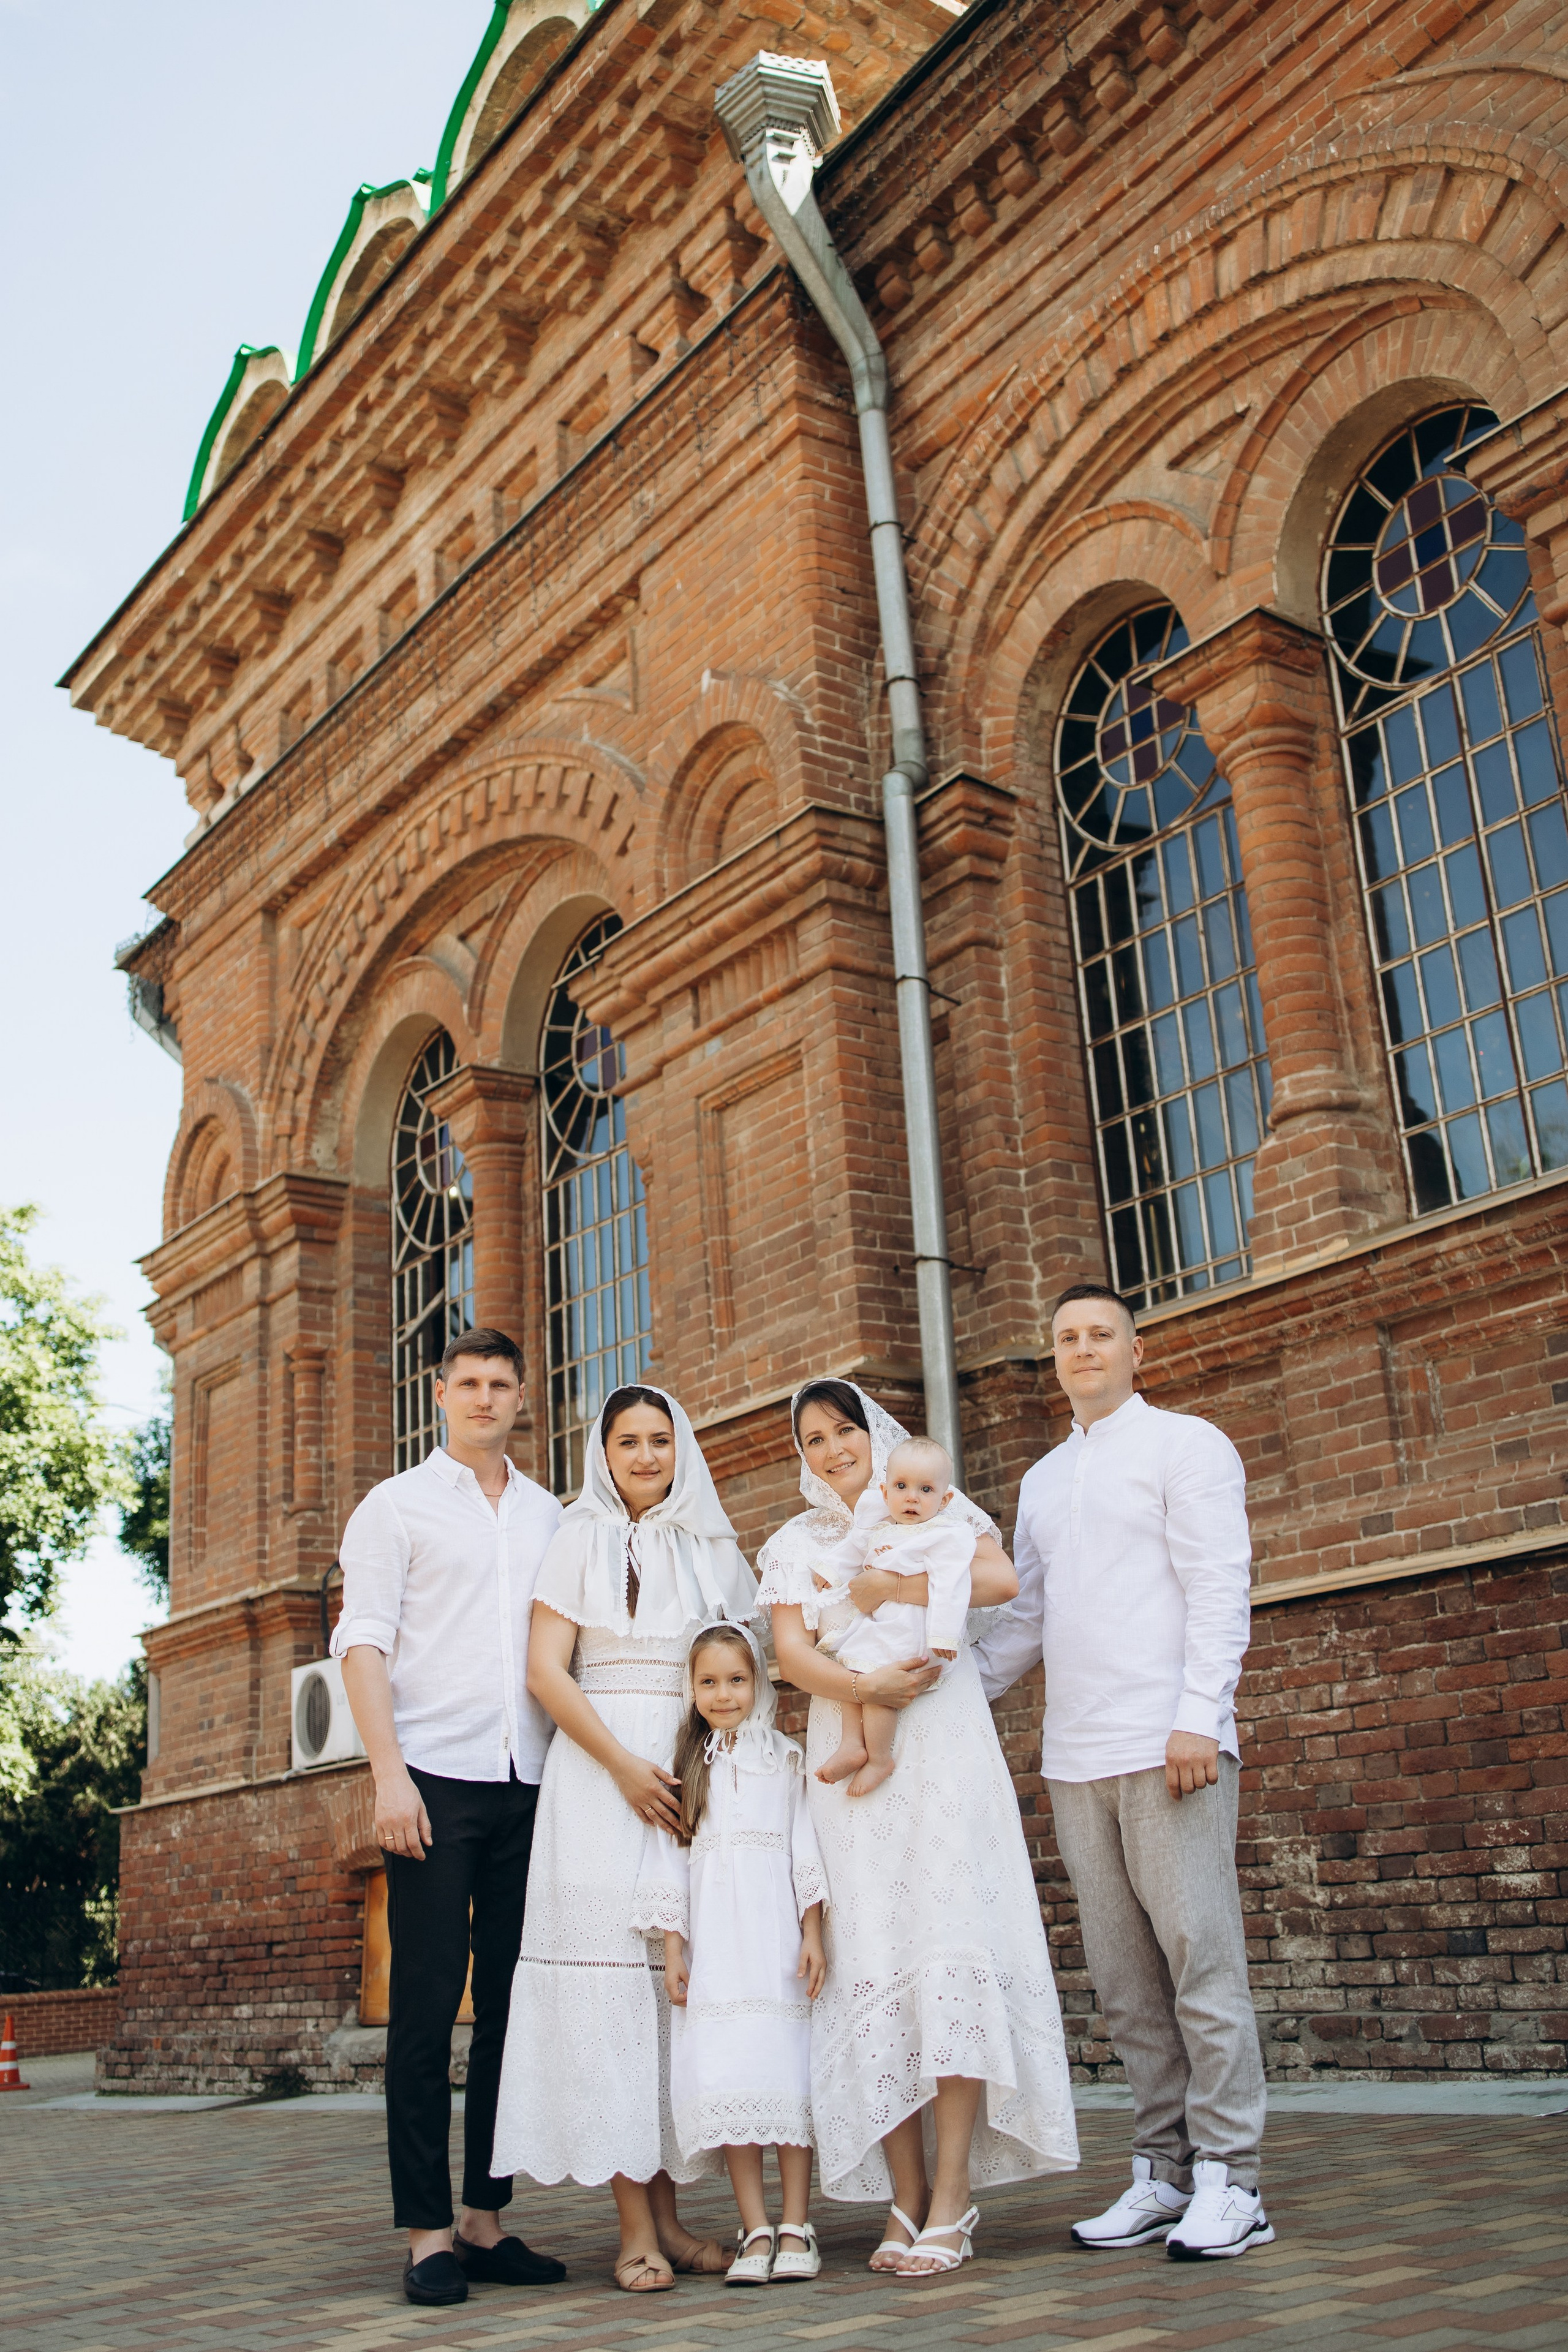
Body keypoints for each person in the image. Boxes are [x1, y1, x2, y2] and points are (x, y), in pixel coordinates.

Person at [973, 1283, 1272, 2261]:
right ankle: (1162, 2171)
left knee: (1201, 1960)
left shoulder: (1188, 1445)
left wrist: (1200, 1717)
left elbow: (1220, 1585)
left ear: (1136, 1351)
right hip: (1077, 1758)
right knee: (1126, 1981)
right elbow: (1025, 1620)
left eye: (1103, 1335)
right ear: (1053, 1356)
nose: (1085, 1350)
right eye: (1068, 1338)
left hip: (1170, 1747)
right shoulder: (1045, 1480)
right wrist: (933, 1692)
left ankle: (1234, 2179)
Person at [758, 1379, 1078, 2279]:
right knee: (874, 1960)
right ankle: (903, 2196)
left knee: (946, 1938)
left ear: (875, 1434)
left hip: (942, 1745)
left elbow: (1001, 1579)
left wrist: (890, 1582)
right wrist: (869, 1690)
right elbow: (790, 1657)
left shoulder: (932, 1498)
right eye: (812, 1440)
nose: (831, 1451)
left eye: (843, 1431)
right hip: (853, 1736)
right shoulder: (792, 1543)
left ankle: (951, 2198)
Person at [489, 1384, 758, 2293]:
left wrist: (707, 1773)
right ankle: (634, 2226)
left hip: (690, 1775)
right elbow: (544, 1671)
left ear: (681, 1448)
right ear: (602, 1453)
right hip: (599, 1781)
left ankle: (677, 2217)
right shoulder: (576, 1537)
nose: (645, 1456)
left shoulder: (715, 1548)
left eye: (659, 1441)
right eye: (627, 1442)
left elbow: (744, 1671)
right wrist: (620, 1767)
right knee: (610, 1995)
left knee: (674, 1992)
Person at [334, 1329, 567, 2308]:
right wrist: (388, 1778)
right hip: (431, 1780)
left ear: (523, 1397)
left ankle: (484, 2219)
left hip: (535, 1782)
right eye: (466, 1383)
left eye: (499, 1384)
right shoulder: (394, 1508)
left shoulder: (553, 1514)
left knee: (517, 2009)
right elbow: (363, 1643)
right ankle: (428, 2233)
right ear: (440, 1395)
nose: (483, 1397)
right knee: (428, 2012)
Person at [632, 1619, 829, 2285]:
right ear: (690, 1690)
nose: (723, 1694)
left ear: (760, 1683)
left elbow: (806, 1845)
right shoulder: (688, 1769)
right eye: (709, 1682)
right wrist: (674, 1947)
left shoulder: (787, 1760)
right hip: (717, 1950)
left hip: (775, 1946)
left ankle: (797, 2225)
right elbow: (669, 1861)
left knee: (785, 2080)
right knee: (736, 2081)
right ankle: (754, 2227)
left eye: (736, 1679)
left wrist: (811, 1932)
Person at [812, 1437, 974, 1794]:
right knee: (849, 1668)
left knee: (875, 1676)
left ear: (944, 1500)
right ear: (885, 1492)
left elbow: (952, 1585)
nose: (912, 1497)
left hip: (914, 1628)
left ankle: (879, 1757)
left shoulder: (945, 1535)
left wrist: (944, 1634)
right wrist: (831, 1570)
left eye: (926, 1489)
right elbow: (853, 1549)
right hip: (882, 1622)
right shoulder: (881, 1526)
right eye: (901, 1486)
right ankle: (852, 1744)